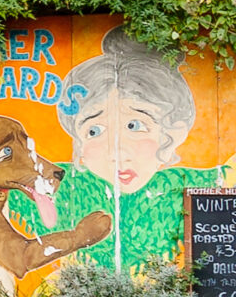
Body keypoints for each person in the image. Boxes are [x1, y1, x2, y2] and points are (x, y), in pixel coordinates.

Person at [12, 27, 227, 272]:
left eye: (135, 125)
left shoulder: (205, 180)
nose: (116, 153)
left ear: (172, 134)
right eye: (93, 131)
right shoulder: (51, 192)